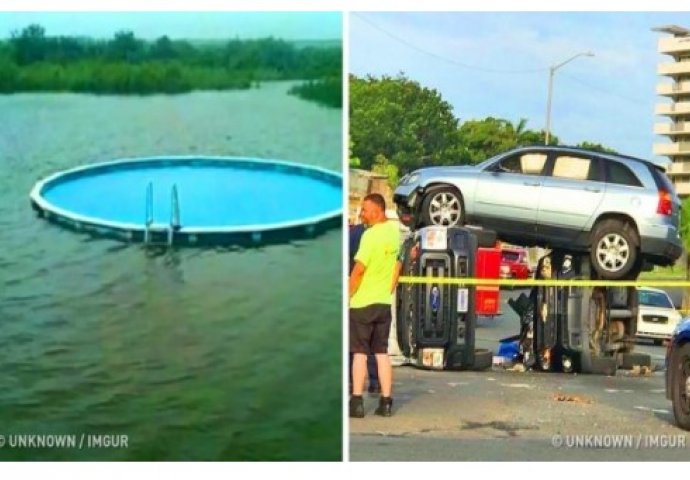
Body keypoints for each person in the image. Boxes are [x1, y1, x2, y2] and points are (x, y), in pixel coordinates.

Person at [349, 193, 400, 418]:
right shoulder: (394, 232)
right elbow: (397, 265)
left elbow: (359, 270)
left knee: (359, 353)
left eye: (365, 209)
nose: (362, 213)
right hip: (383, 303)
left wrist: (347, 295)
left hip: (362, 302)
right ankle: (386, 402)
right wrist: (388, 289)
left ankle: (357, 402)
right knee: (381, 352)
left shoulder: (370, 236)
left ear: (378, 210)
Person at [349, 222, 380, 395]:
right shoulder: (380, 234)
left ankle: (352, 384)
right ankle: (375, 382)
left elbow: (354, 268)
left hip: (358, 295)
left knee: (355, 345)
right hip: (377, 295)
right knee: (374, 345)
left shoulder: (356, 233)